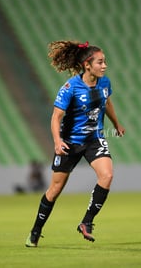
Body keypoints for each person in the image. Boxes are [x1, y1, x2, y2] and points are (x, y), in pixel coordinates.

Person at [25, 40, 125, 247]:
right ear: (87, 65)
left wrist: (116, 124)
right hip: (69, 143)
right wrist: (57, 141)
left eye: (105, 62)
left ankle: (87, 222)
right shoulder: (70, 87)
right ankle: (36, 231)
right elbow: (56, 117)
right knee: (55, 190)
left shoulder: (104, 83)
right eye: (100, 62)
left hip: (94, 140)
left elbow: (107, 103)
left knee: (107, 175)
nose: (104, 66)